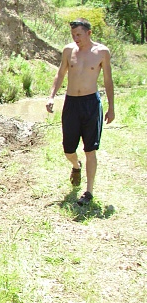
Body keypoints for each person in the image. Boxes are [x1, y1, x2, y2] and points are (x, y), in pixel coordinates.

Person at [46, 18, 115, 206]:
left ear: (89, 33)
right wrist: (51, 96)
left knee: (90, 149)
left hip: (91, 103)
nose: (76, 38)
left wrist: (111, 107)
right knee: (68, 149)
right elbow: (60, 74)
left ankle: (89, 191)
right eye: (73, 35)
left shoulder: (101, 52)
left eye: (79, 34)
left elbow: (108, 81)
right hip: (71, 103)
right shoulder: (69, 50)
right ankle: (76, 166)